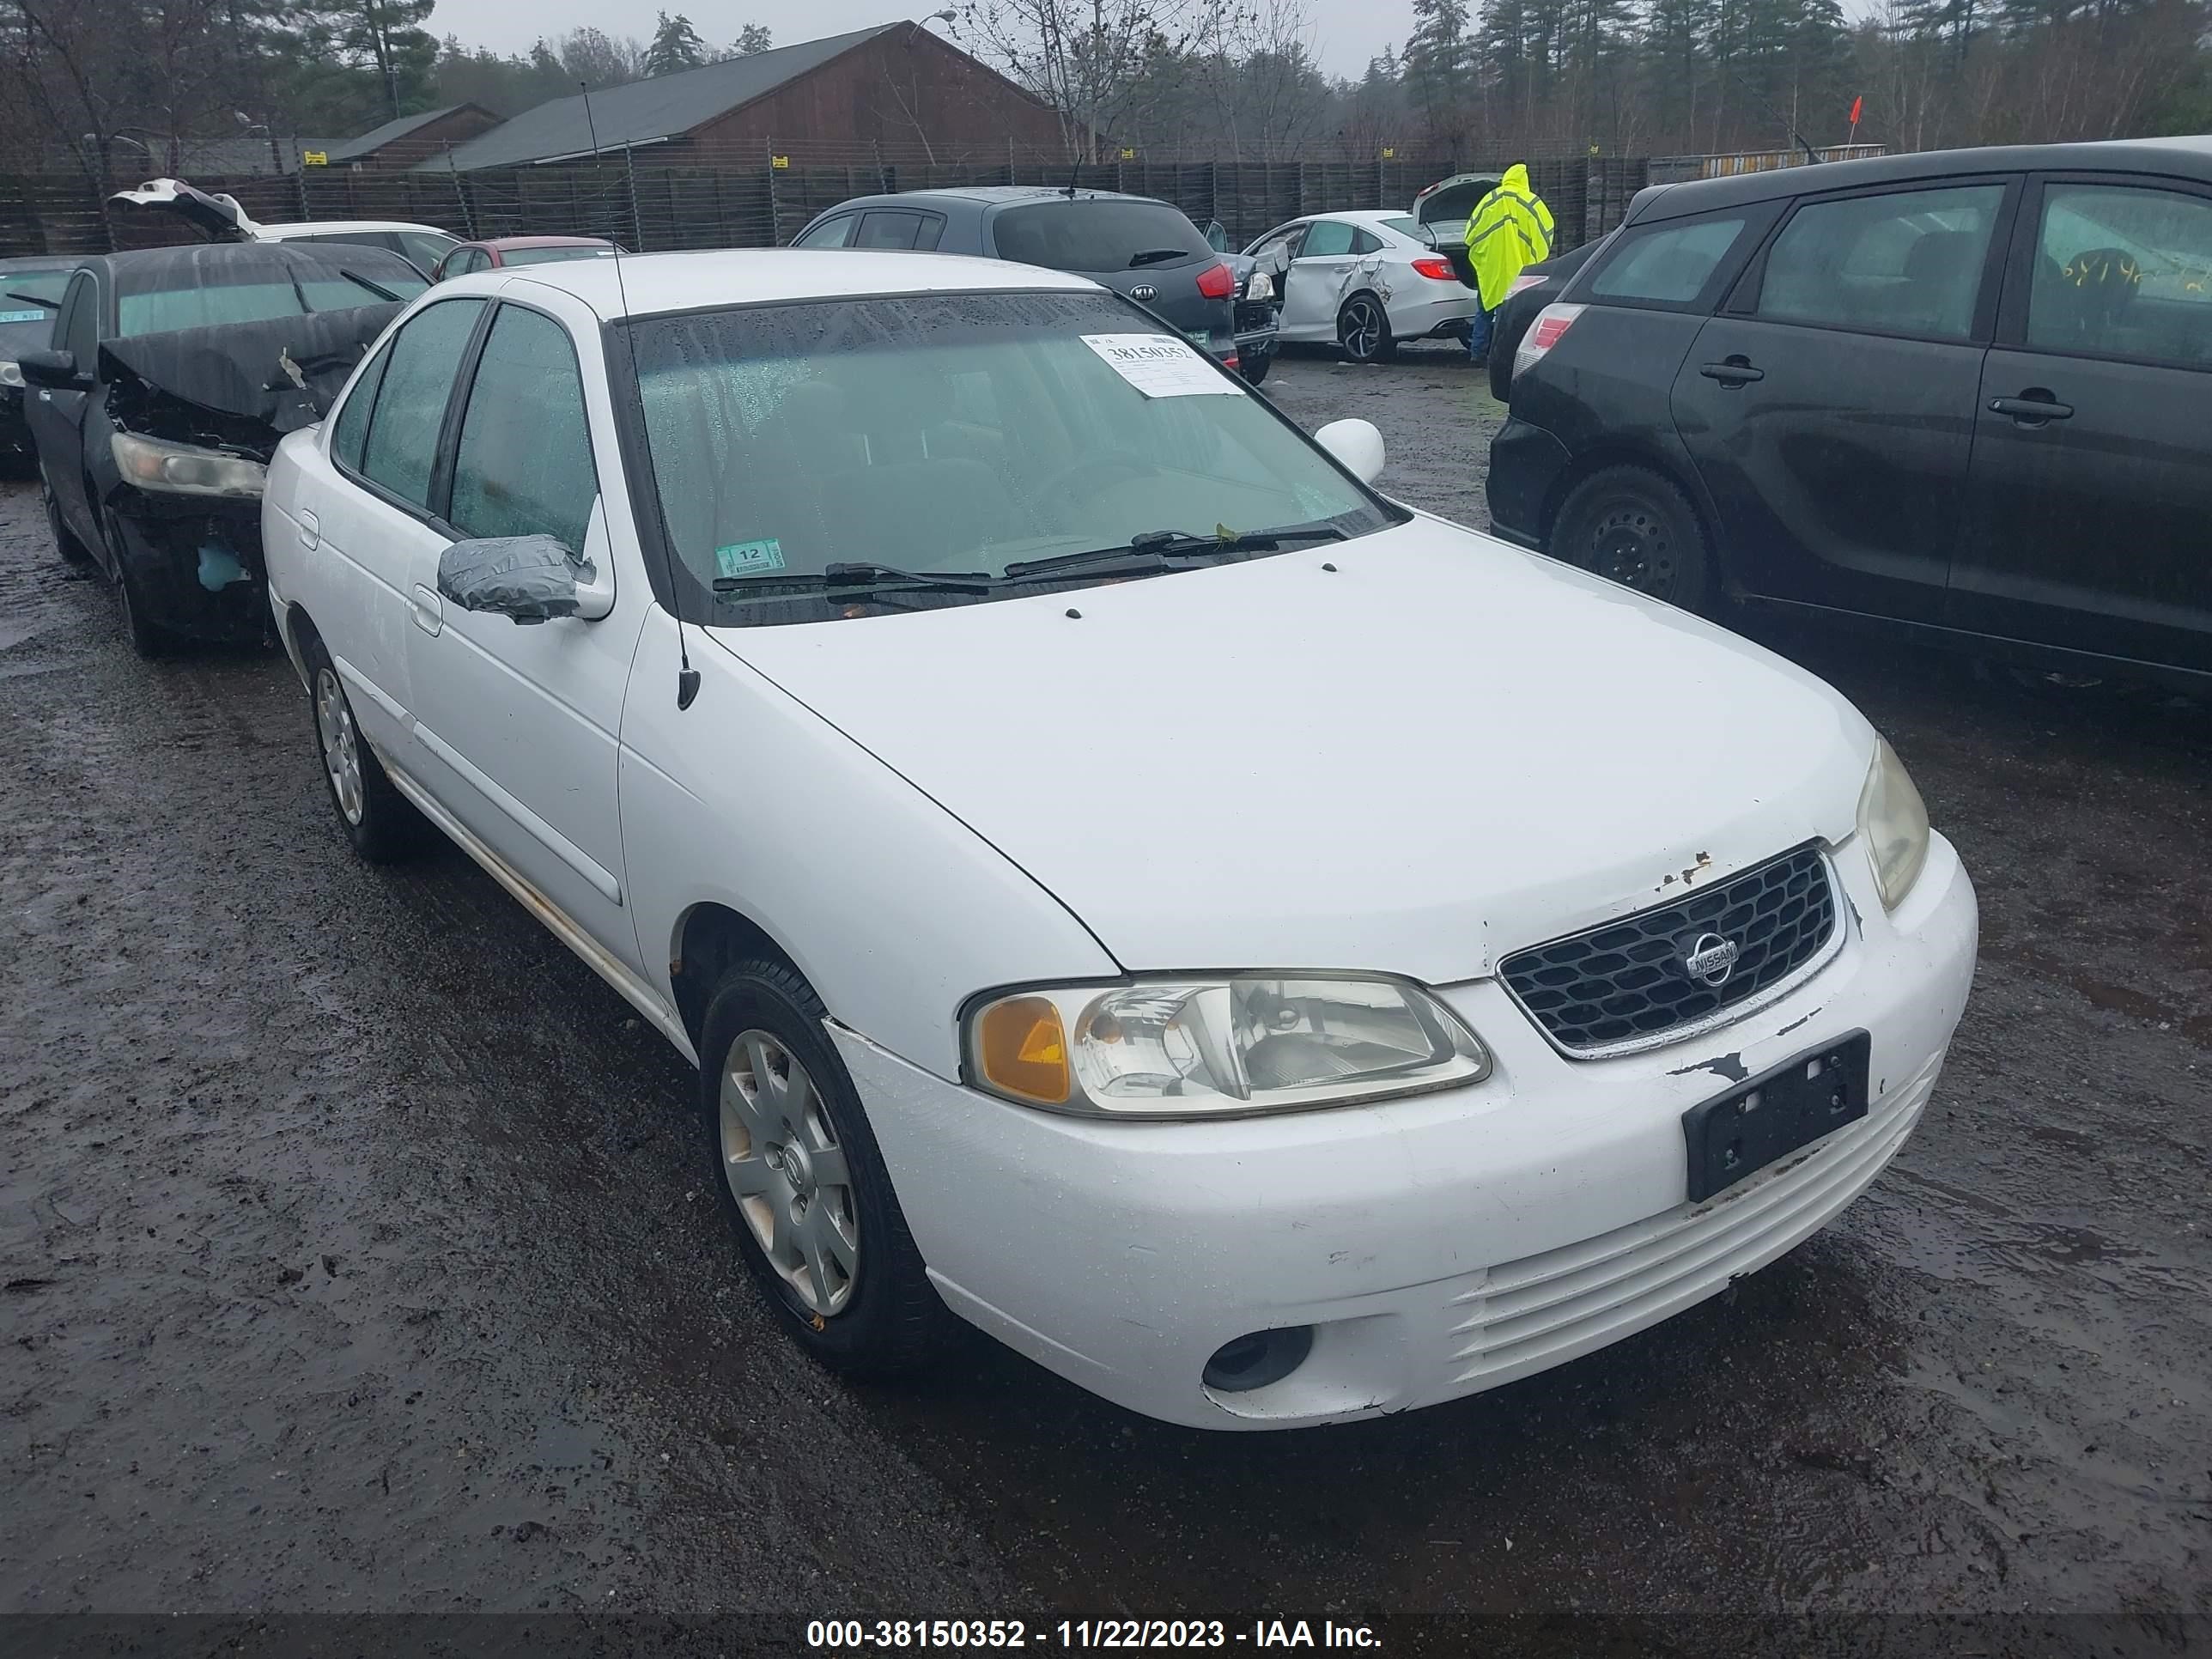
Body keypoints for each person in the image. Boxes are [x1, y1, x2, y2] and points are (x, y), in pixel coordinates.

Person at [1463, 163, 1555, 363]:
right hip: (1521, 271)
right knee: (1515, 318)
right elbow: (1546, 232)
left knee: (1484, 312)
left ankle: (1477, 354)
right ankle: (1506, 356)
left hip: (1490, 269)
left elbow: (1470, 234)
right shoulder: (1531, 202)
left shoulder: (1491, 199)